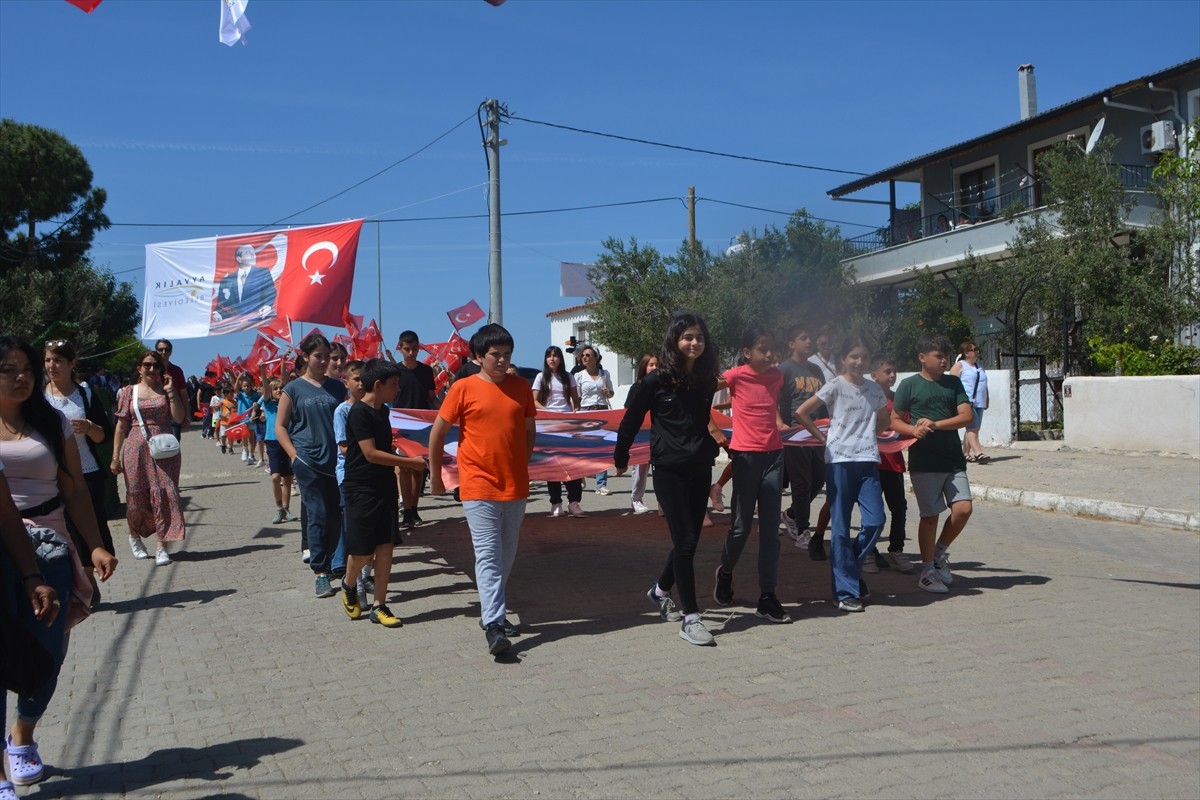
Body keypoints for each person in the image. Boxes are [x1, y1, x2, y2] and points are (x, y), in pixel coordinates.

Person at [0, 335, 117, 788]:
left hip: (50, 547)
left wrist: (94, 545)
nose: (22, 377)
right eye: (9, 369)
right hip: (2, 550)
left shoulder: (53, 423)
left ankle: (22, 735)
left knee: (48, 652)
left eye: (27, 369)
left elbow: (74, 489)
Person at [429, 324, 536, 656]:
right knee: (488, 555)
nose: (502, 360)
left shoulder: (522, 387)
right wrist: (436, 476)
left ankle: (492, 610)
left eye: (507, 354)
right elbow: (437, 433)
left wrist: (522, 462)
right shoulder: (463, 388)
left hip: (515, 485)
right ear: (478, 357)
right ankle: (494, 625)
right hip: (477, 485)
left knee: (507, 554)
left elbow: (529, 430)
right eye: (495, 355)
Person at [615, 313, 720, 647]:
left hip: (700, 466)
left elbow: (701, 419)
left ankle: (660, 591)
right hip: (669, 469)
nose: (695, 343)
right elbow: (630, 420)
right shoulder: (655, 381)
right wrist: (621, 457)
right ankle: (692, 619)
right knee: (686, 541)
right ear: (675, 341)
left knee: (689, 541)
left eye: (699, 337)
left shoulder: (706, 379)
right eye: (688, 337)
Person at [795, 333, 890, 613]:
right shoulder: (835, 385)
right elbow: (802, 412)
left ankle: (849, 570)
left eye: (864, 357)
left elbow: (885, 419)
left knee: (875, 521)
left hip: (868, 460)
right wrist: (823, 438)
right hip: (838, 462)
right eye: (854, 356)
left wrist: (868, 435)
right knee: (839, 528)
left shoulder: (874, 389)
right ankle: (846, 591)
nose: (859, 362)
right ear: (843, 359)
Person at [339, 359, 426, 628]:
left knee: (386, 547)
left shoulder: (384, 412)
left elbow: (386, 447)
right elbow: (371, 454)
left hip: (384, 487)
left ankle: (379, 605)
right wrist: (411, 463)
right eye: (394, 384)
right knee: (363, 552)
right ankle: (348, 584)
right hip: (361, 488)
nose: (397, 389)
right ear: (378, 385)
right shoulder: (358, 413)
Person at [712, 329, 791, 624]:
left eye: (772, 349)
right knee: (740, 529)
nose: (769, 354)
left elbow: (772, 404)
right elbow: (701, 393)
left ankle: (767, 596)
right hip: (745, 458)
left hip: (774, 456)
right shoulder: (735, 375)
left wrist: (780, 423)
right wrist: (713, 428)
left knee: (770, 531)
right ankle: (725, 571)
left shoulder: (777, 376)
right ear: (747, 353)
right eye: (763, 349)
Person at [890, 333, 975, 595]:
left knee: (964, 508)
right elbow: (894, 420)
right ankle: (927, 572)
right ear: (922, 357)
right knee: (930, 517)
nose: (943, 361)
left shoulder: (953, 383)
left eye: (945, 356)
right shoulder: (909, 385)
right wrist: (913, 430)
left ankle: (939, 553)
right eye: (938, 356)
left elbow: (967, 416)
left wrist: (935, 424)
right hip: (924, 461)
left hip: (953, 459)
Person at [43, 340, 114, 605]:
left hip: (87, 473)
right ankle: (80, 585)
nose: (52, 366)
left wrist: (89, 427)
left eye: (58, 360)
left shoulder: (85, 394)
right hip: (51, 476)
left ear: (72, 363)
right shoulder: (38, 397)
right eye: (48, 360)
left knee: (88, 529)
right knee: (65, 531)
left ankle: (87, 580)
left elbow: (104, 435)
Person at [275, 333, 344, 599]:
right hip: (308, 462)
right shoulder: (293, 389)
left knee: (337, 515)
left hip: (336, 463)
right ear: (305, 357)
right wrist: (294, 456)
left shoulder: (337, 387)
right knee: (317, 515)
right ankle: (320, 572)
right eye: (318, 356)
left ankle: (337, 562)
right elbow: (280, 426)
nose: (324, 361)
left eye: (327, 356)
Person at [111, 348, 187, 566]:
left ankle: (162, 546)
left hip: (164, 448)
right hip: (136, 448)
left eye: (155, 365)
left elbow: (178, 418)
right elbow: (121, 425)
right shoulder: (129, 392)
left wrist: (171, 392)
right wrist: (115, 456)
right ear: (139, 368)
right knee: (136, 496)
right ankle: (135, 536)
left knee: (166, 493)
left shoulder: (166, 390)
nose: (152, 369)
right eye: (147, 365)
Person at [777, 323, 829, 559]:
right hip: (795, 435)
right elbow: (774, 400)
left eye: (810, 338)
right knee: (801, 483)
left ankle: (791, 515)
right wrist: (782, 424)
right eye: (803, 338)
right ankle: (802, 530)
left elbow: (823, 401)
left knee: (818, 479)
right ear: (792, 343)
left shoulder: (817, 370)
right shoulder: (785, 369)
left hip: (816, 433)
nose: (809, 341)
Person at [869, 356, 916, 574]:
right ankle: (869, 551)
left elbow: (906, 426)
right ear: (874, 376)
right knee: (873, 511)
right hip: (873, 464)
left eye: (893, 371)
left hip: (894, 464)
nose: (892, 375)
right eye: (887, 371)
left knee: (899, 508)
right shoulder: (867, 398)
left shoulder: (899, 400)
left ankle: (896, 549)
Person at [391, 331, 438, 528]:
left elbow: (431, 397)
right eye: (407, 349)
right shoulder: (394, 371)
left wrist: (444, 414)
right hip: (400, 425)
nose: (411, 353)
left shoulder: (426, 371)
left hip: (421, 425)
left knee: (419, 467)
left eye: (415, 349)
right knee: (403, 468)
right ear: (400, 348)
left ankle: (414, 509)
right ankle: (406, 508)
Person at [532, 346, 584, 518]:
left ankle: (574, 502)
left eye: (555, 356)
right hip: (549, 425)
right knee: (552, 464)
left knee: (572, 463)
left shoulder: (568, 377)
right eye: (549, 356)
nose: (552, 359)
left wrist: (575, 411)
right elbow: (533, 400)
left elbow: (576, 401)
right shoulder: (541, 377)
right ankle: (556, 502)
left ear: (560, 359)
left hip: (567, 425)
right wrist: (548, 411)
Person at [257, 372, 297, 526]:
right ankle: (279, 508)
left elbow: (285, 379)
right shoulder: (268, 404)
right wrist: (262, 369)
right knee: (275, 477)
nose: (279, 390)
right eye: (276, 389)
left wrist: (283, 362)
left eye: (281, 388)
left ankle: (286, 509)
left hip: (287, 441)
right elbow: (265, 388)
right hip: (272, 442)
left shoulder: (287, 404)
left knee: (288, 477)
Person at [574, 345, 614, 496]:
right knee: (586, 447)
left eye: (588, 355)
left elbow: (611, 393)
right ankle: (581, 475)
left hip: (602, 410)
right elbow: (576, 397)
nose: (584, 357)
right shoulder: (579, 376)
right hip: (586, 411)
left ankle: (601, 484)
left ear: (595, 358)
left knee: (602, 448)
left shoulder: (604, 374)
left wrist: (608, 392)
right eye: (583, 355)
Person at [212, 244, 277, 327]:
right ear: (239, 259)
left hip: (257, 319)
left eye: (253, 252)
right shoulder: (227, 280)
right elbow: (222, 304)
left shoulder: (262, 273)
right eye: (248, 253)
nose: (253, 255)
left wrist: (267, 305)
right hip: (234, 325)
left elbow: (270, 291)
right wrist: (218, 314)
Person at [627, 354, 658, 515]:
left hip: (659, 434)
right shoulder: (637, 388)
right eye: (651, 365)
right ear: (644, 367)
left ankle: (663, 502)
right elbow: (628, 411)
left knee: (661, 469)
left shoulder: (665, 387)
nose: (654, 368)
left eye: (657, 365)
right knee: (640, 468)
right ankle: (636, 499)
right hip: (641, 435)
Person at [950, 341, 990, 463]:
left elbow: (984, 384)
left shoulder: (979, 366)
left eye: (977, 349)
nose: (977, 352)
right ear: (966, 353)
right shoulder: (959, 366)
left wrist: (987, 399)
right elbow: (952, 384)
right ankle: (978, 453)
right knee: (973, 427)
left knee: (973, 428)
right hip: (966, 401)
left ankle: (965, 454)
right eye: (974, 349)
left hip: (979, 402)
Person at [153, 340, 188, 441]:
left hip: (174, 412)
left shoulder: (177, 370)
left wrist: (187, 414)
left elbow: (183, 393)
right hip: (156, 413)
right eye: (160, 349)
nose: (163, 352)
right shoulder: (151, 370)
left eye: (166, 350)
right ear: (156, 351)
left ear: (171, 352)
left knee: (173, 444)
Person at [235, 373, 261, 467]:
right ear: (242, 386)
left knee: (252, 438)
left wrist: (255, 410)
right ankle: (245, 450)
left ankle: (251, 455)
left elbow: (257, 405)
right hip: (242, 418)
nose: (246, 388)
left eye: (248, 386)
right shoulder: (240, 395)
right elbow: (235, 388)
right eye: (244, 386)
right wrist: (239, 377)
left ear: (251, 386)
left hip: (252, 419)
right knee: (244, 435)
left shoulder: (255, 395)